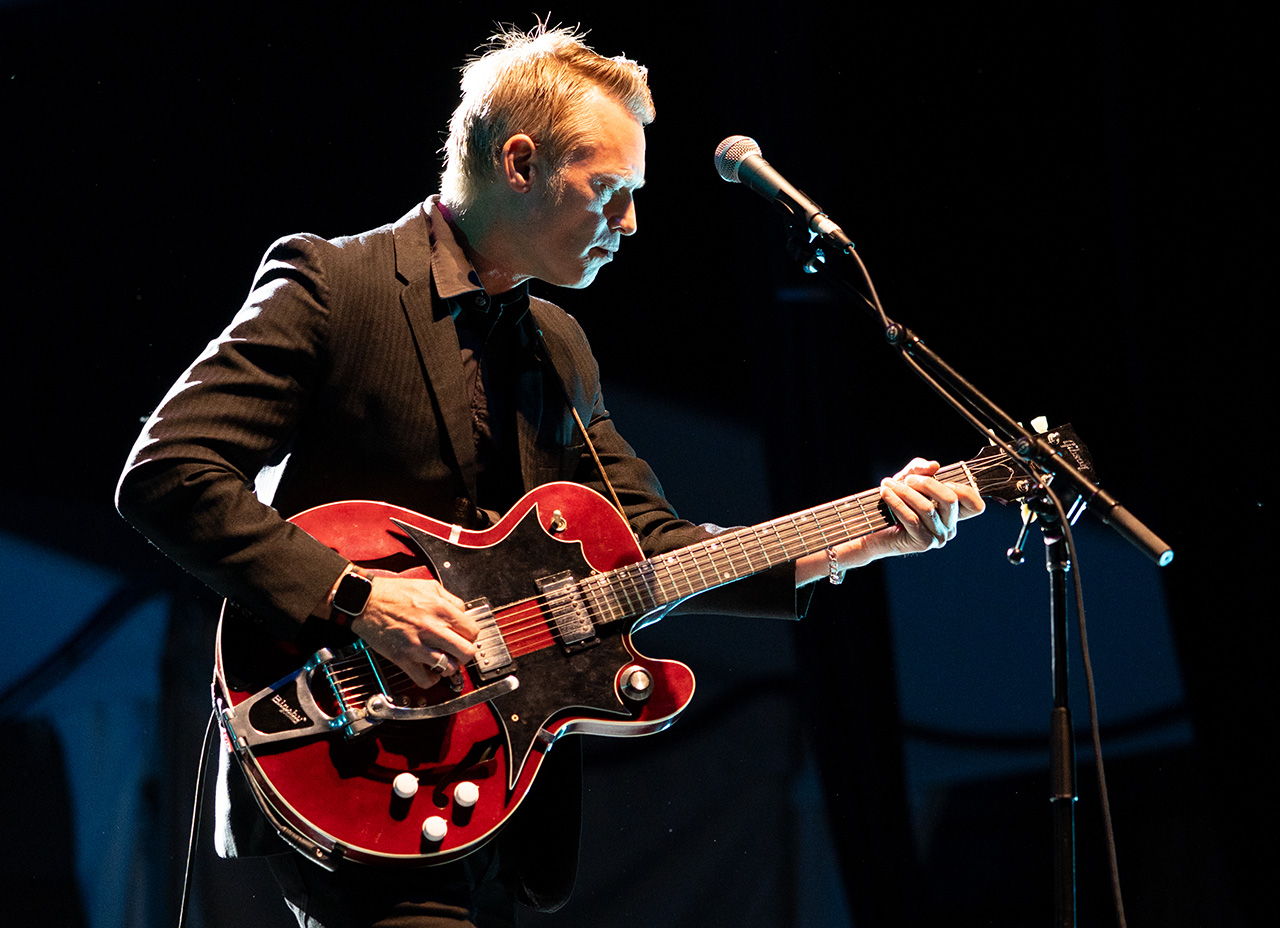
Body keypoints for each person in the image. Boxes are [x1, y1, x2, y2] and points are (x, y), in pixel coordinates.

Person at [116, 24, 983, 928]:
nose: (631, 224)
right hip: (347, 743)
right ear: (519, 162)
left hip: (492, 780)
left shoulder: (557, 346)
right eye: (608, 190)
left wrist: (860, 536)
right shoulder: (334, 284)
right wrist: (360, 598)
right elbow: (170, 471)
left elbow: (651, 547)